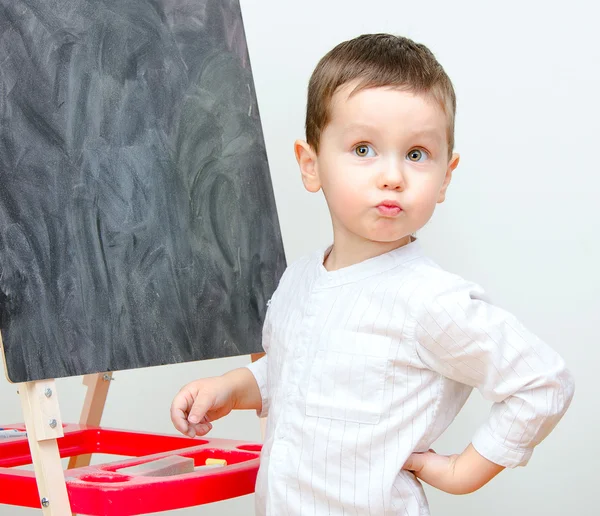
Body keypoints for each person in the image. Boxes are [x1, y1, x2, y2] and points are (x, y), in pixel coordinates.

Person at [170, 33, 574, 515]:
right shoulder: (299, 279)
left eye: (417, 154)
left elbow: (542, 382)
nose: (392, 175)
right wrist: (232, 387)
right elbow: (298, 373)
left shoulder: (428, 300)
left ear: (445, 176)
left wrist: (461, 473)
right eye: (363, 149)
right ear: (311, 164)